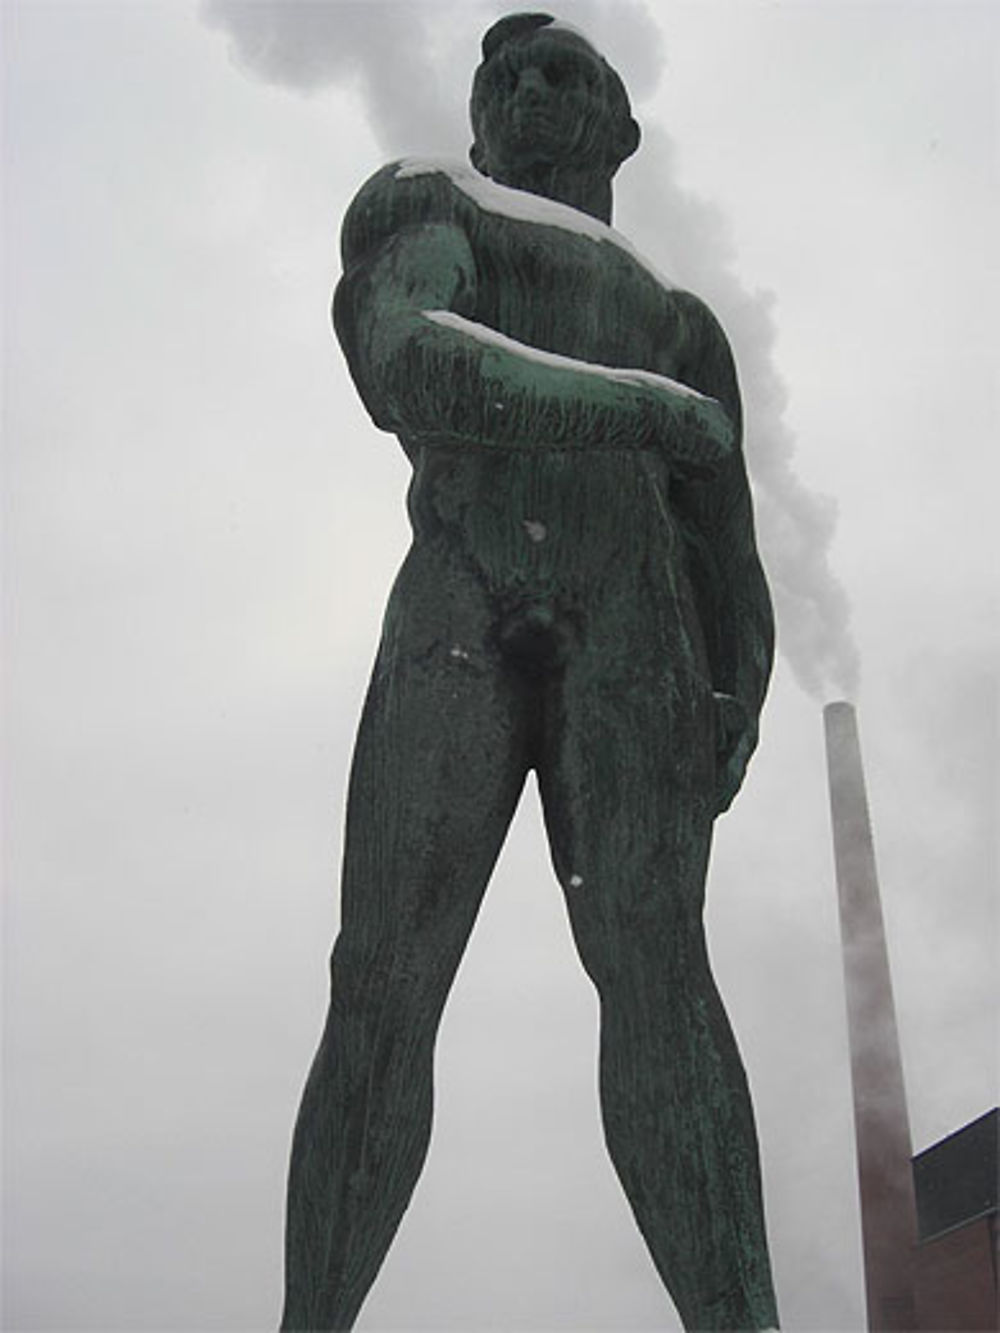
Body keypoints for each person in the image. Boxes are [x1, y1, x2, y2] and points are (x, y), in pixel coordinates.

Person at [281, 13, 778, 1331]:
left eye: (568, 74)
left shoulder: (678, 320)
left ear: (623, 127)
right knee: (383, 979)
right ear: (475, 122)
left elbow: (726, 547)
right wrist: (640, 411)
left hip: (637, 639)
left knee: (663, 981)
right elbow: (411, 360)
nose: (529, 89)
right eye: (505, 78)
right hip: (462, 608)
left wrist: (739, 688)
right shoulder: (433, 207)